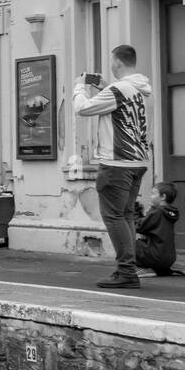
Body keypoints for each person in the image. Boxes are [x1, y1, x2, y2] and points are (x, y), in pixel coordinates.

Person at [73, 44, 152, 289]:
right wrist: (106, 87)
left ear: (117, 62)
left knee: (113, 216)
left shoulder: (118, 89)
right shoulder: (138, 89)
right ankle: (129, 268)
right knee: (126, 214)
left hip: (117, 162)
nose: (110, 65)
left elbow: (82, 108)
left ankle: (127, 271)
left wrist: (79, 85)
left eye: (111, 61)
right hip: (138, 161)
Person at [135, 182, 185, 278]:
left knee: (129, 244)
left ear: (163, 197)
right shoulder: (170, 212)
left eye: (153, 194)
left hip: (156, 257)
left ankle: (145, 269)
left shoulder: (157, 212)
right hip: (169, 258)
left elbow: (139, 227)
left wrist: (135, 213)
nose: (150, 196)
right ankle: (168, 268)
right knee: (145, 242)